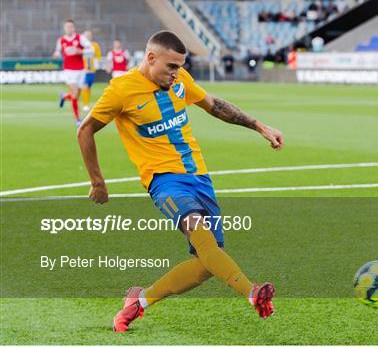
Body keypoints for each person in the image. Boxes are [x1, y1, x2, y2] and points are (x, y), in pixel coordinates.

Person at [77, 30, 284, 332]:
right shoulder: (122, 90)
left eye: (180, 66)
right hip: (164, 181)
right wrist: (97, 181)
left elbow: (215, 105)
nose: (177, 73)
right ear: (151, 58)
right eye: (171, 66)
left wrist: (258, 125)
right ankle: (252, 293)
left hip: (199, 177)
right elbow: (85, 129)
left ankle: (140, 300)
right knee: (202, 237)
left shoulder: (180, 81)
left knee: (207, 264)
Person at [53, 19, 94, 126]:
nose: (69, 29)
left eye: (71, 27)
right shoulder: (61, 40)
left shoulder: (80, 38)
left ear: (74, 28)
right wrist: (56, 55)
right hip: (69, 71)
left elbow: (91, 50)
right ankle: (78, 119)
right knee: (75, 94)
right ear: (64, 28)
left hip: (80, 70)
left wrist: (80, 51)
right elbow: (57, 52)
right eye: (67, 27)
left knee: (75, 96)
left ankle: (64, 96)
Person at [81, 30, 102, 112]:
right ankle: (85, 105)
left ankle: (87, 103)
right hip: (83, 70)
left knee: (88, 87)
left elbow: (98, 56)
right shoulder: (81, 46)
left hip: (92, 70)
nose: (87, 37)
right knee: (85, 86)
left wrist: (97, 63)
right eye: (86, 35)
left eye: (89, 35)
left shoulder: (95, 45)